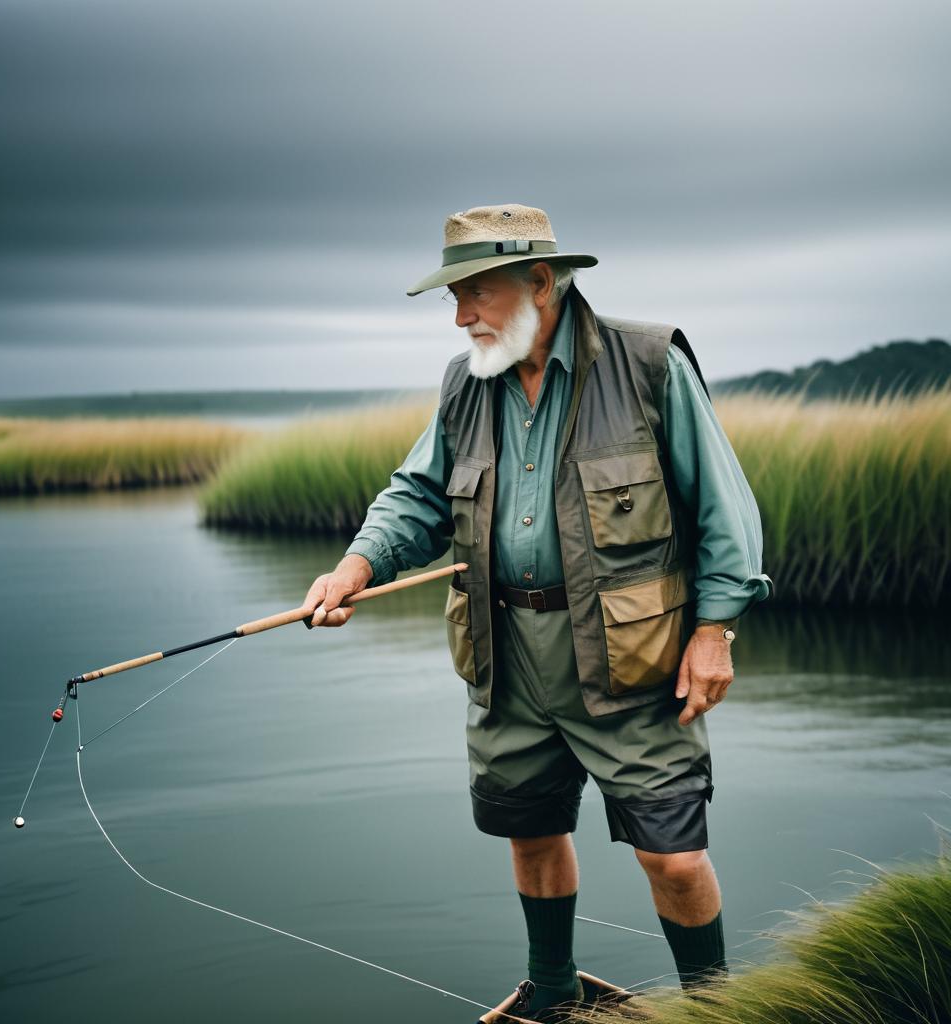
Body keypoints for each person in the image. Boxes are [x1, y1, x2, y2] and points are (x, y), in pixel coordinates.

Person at [303, 203, 773, 1020]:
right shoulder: (465, 382)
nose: (460, 317)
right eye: (453, 298)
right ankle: (552, 993)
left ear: (541, 280)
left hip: (635, 661)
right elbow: (415, 495)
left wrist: (714, 632)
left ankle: (716, 1008)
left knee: (674, 855)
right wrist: (354, 566)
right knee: (531, 831)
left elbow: (726, 512)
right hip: (505, 653)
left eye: (474, 293)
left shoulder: (649, 362)